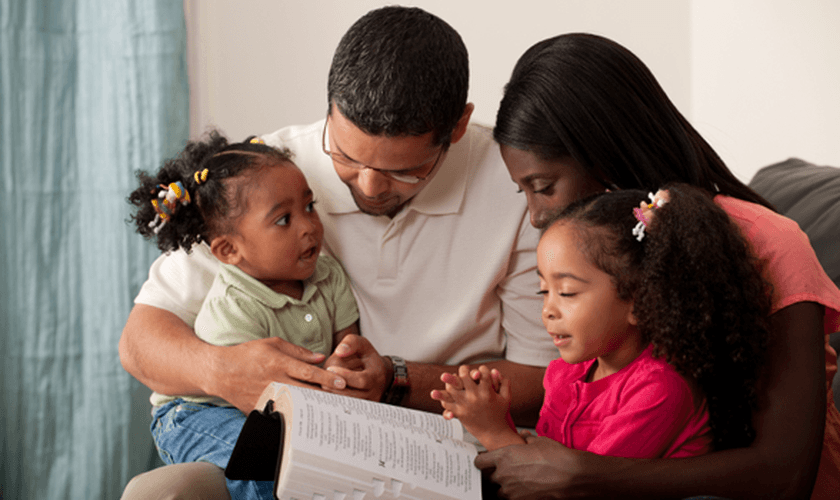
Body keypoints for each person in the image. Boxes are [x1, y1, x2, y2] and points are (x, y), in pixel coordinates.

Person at [119, 6, 552, 499]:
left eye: (403, 171)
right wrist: (224, 371)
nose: (367, 186)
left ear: (456, 128)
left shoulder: (513, 185)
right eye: (346, 156)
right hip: (307, 435)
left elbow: (543, 383)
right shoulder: (270, 176)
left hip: (439, 446)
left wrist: (395, 380)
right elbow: (140, 341)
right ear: (329, 110)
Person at [477, 32, 840, 499]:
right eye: (522, 191)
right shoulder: (606, 263)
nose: (536, 215)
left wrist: (585, 477)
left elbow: (786, 474)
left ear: (605, 153)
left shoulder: (770, 244)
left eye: (544, 186)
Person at [434, 186, 771, 459]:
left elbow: (574, 488)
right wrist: (494, 413)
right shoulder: (566, 374)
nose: (548, 310)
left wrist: (494, 432)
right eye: (543, 290)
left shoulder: (660, 390)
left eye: (566, 293)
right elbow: (544, 461)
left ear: (640, 301)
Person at [127, 131, 361, 498]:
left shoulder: (328, 276)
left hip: (272, 412)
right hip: (196, 413)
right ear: (229, 250)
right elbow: (254, 399)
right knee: (262, 465)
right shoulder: (233, 307)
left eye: (309, 206)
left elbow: (349, 343)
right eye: (284, 220)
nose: (308, 225)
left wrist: (347, 363)